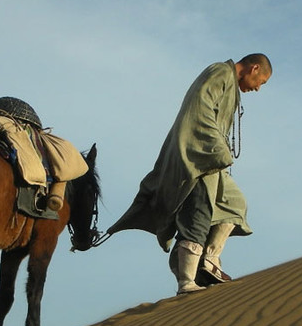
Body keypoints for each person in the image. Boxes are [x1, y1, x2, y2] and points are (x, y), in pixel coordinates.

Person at [106, 53, 272, 294]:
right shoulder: (220, 73)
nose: (258, 89)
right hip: (199, 156)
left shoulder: (229, 83)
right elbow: (200, 109)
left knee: (235, 204)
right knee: (199, 211)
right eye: (261, 82)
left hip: (213, 158)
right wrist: (215, 149)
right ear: (254, 68)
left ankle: (209, 261)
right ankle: (186, 281)